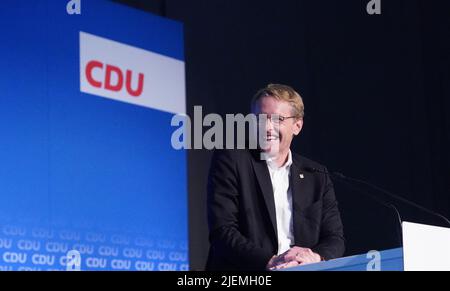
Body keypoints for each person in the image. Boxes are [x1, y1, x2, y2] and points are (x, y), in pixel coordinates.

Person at [205, 84, 345, 271]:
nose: (267, 128)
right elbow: (222, 231)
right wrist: (271, 261)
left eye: (277, 119)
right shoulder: (231, 159)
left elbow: (335, 238)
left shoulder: (316, 175)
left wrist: (313, 258)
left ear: (297, 125)